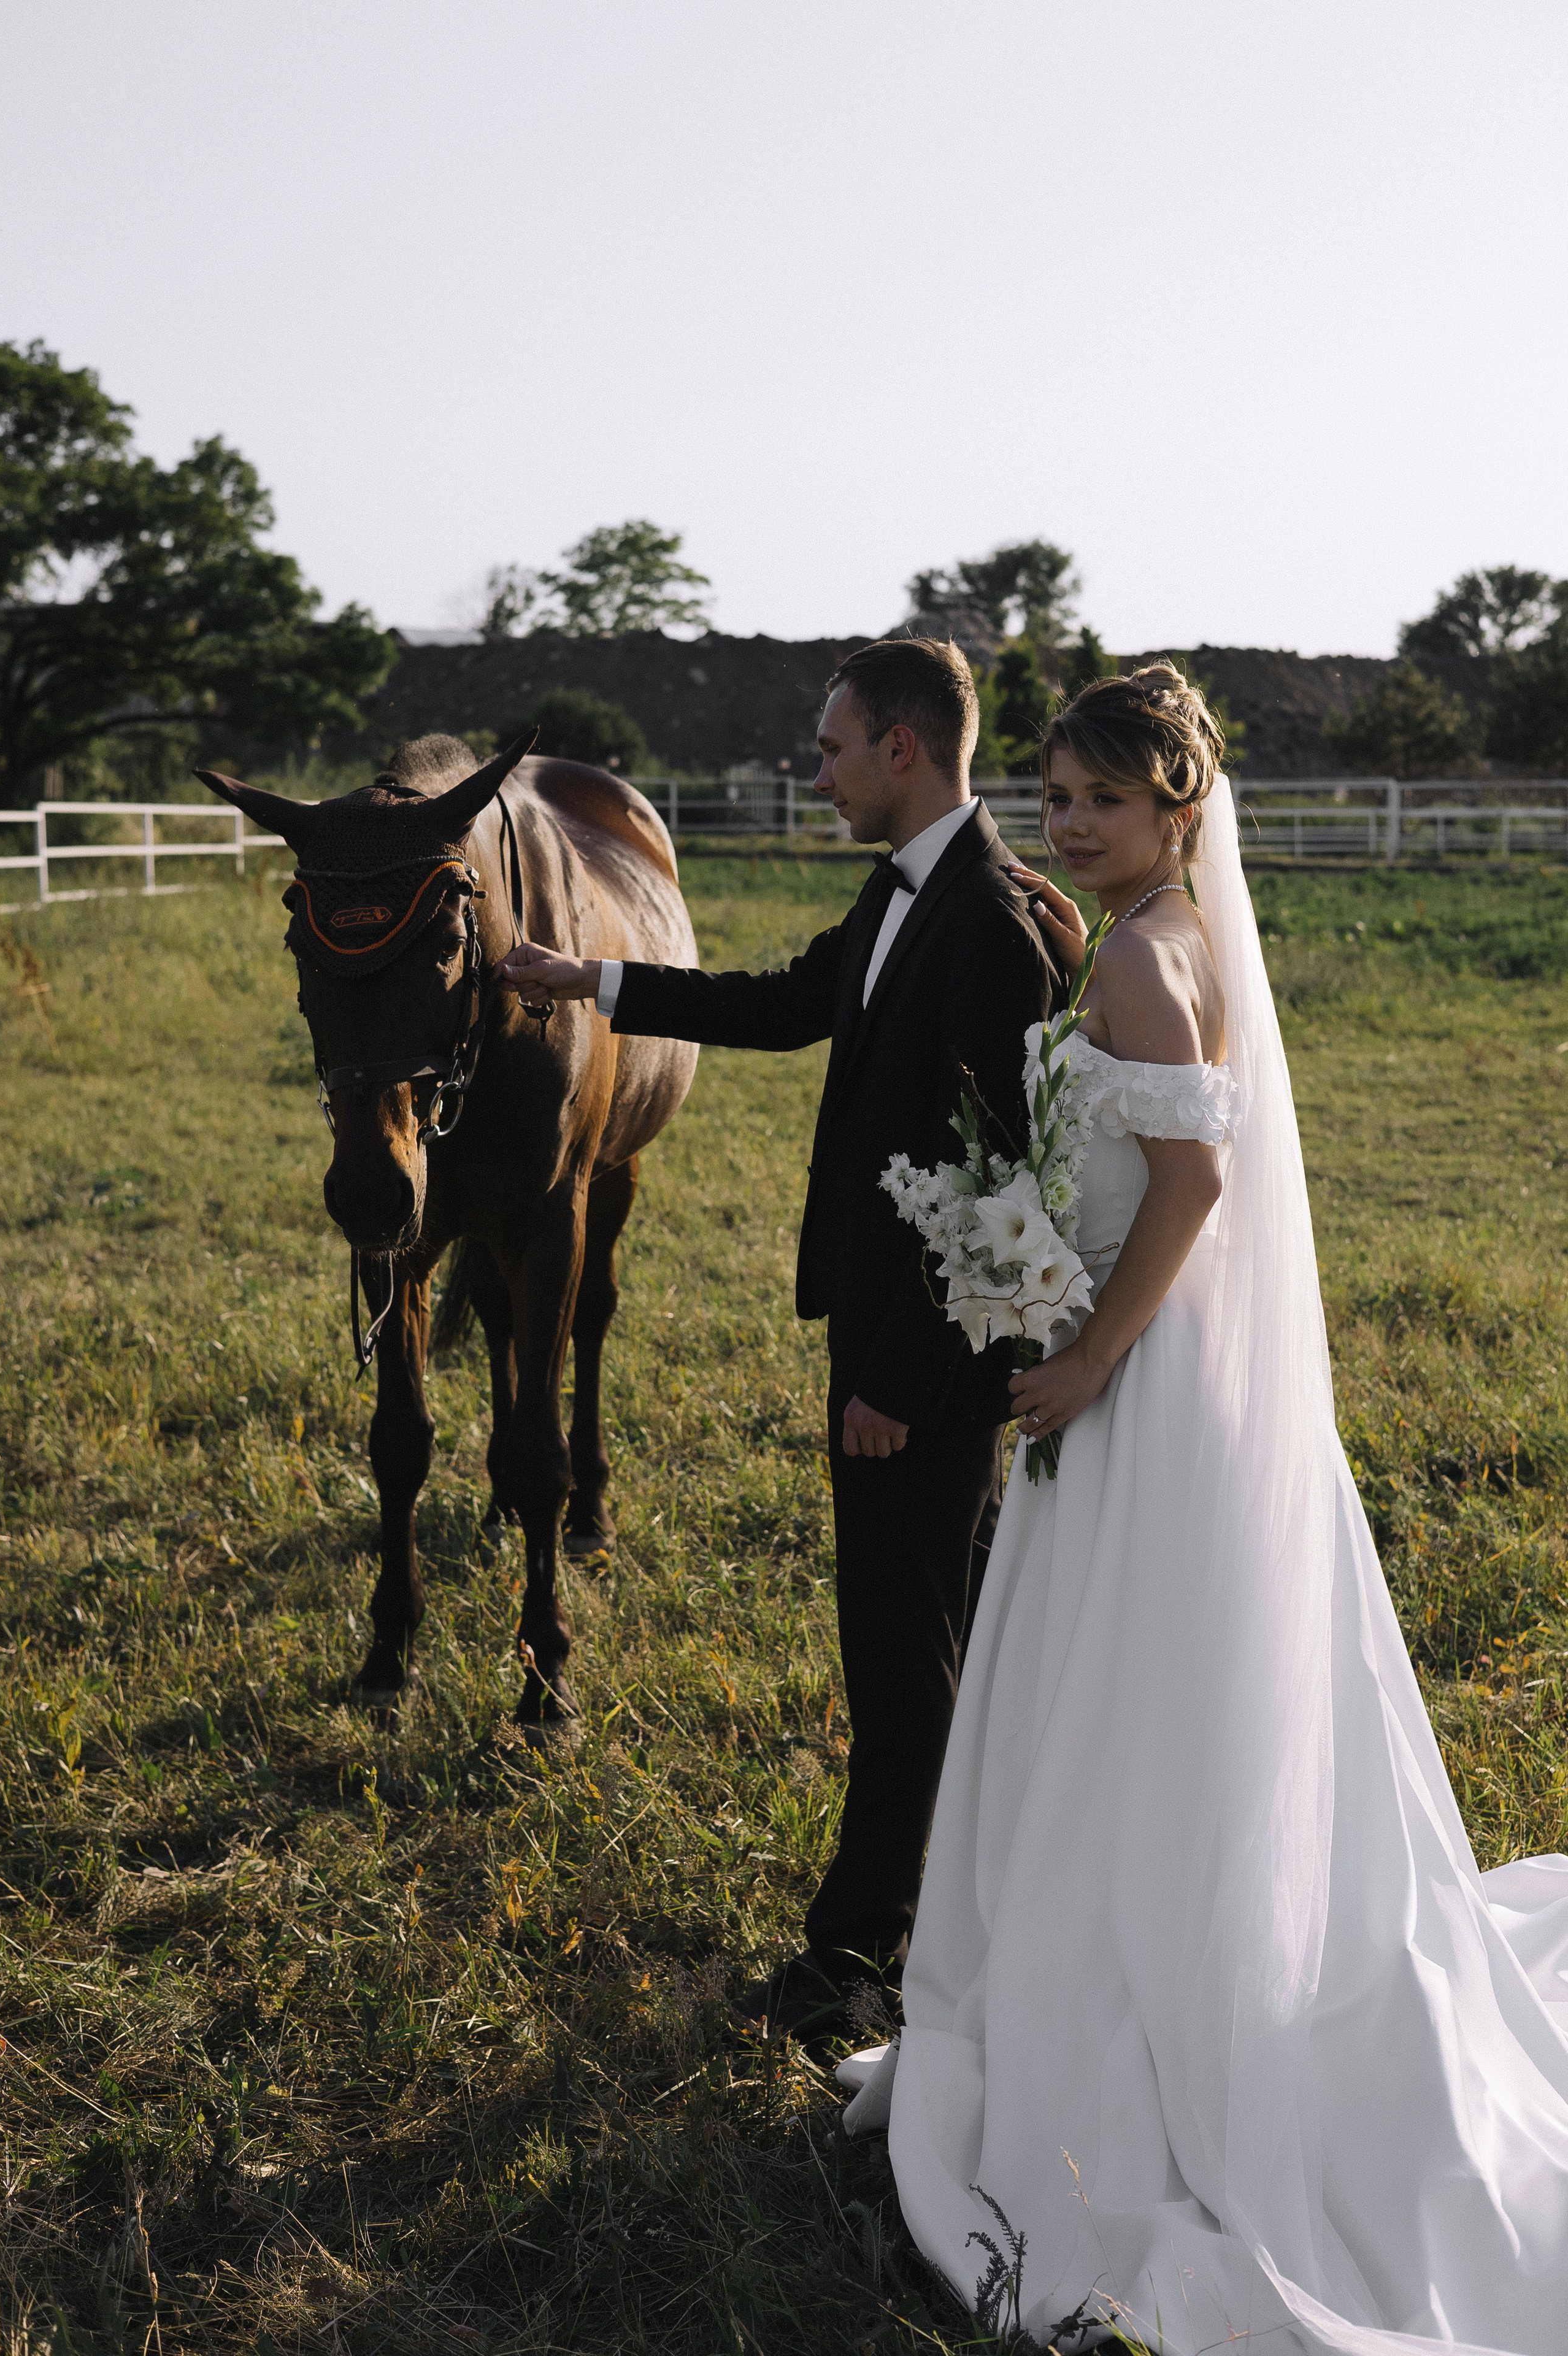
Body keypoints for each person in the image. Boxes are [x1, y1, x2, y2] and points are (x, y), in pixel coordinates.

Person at [837, 664, 1568, 2355]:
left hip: (1144, 1387)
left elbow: (1195, 1185)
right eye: (1056, 794)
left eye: (1101, 798)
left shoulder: (1155, 969)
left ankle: (1132, 2029)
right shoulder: (1152, 944)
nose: (1069, 822)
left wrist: (1087, 1349)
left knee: (1125, 1702)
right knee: (1130, 1696)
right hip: (1147, 1378)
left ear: (1182, 810)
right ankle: (1108, 1975)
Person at [498, 636, 1064, 2035]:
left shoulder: (984, 923)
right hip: (880, 1336)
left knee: (898, 1650)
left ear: (902, 749)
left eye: (827, 749)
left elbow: (1000, 1185)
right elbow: (780, 1006)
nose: (810, 774)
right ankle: (945, 1913)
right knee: (928, 1633)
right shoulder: (905, 894)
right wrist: (594, 984)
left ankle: (856, 1958)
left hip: (915, 1367)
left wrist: (893, 1384)